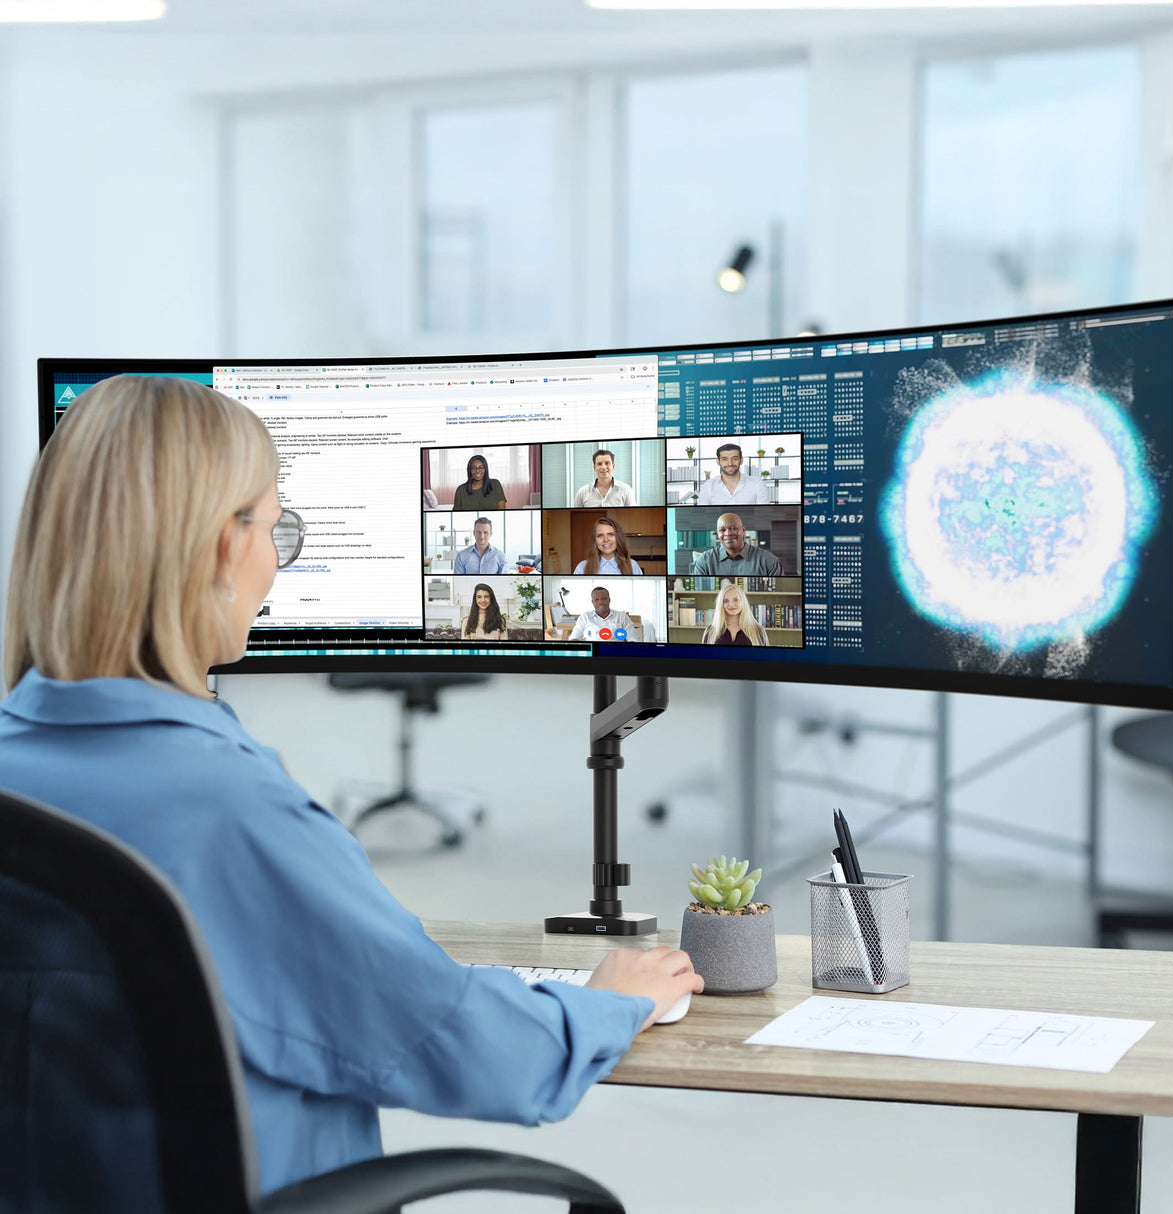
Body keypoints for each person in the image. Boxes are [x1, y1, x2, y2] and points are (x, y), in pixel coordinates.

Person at [0, 375, 701, 1195]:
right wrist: (610, 1000)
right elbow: (465, 1045)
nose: (275, 557)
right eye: (276, 526)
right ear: (225, 547)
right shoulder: (233, 812)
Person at [690, 512, 783, 576]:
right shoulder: (704, 561)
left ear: (743, 530)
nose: (728, 533)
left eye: (734, 528)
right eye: (722, 530)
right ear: (718, 533)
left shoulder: (769, 561)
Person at [688, 442, 770, 505]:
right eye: (724, 459)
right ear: (718, 462)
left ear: (741, 461)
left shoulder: (757, 484)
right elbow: (703, 516)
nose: (730, 463)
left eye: (734, 458)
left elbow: (764, 515)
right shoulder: (708, 486)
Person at [701, 581, 769, 647]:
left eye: (736, 600)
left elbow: (766, 657)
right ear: (721, 604)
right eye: (726, 601)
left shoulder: (758, 630)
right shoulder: (710, 631)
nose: (731, 604)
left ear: (743, 602)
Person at [573, 517, 642, 575]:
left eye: (611, 534)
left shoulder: (633, 565)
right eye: (600, 535)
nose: (606, 539)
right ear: (594, 540)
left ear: (618, 537)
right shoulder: (582, 567)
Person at [569, 586, 639, 642]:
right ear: (592, 602)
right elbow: (575, 638)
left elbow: (633, 639)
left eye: (604, 599)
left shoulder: (622, 617)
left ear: (609, 600)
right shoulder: (585, 617)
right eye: (596, 599)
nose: (600, 602)